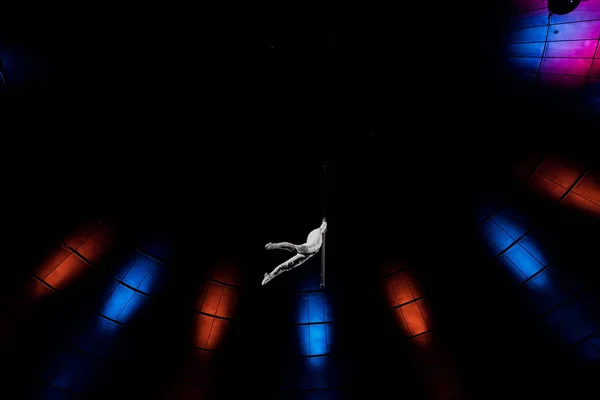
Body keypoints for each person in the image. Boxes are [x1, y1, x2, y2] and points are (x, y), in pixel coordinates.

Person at [262, 218, 327, 285]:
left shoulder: (316, 235)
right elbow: (323, 226)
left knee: (286, 266)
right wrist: (324, 223)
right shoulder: (317, 231)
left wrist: (324, 225)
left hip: (308, 253)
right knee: (294, 249)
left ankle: (269, 276)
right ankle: (274, 246)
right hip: (309, 249)